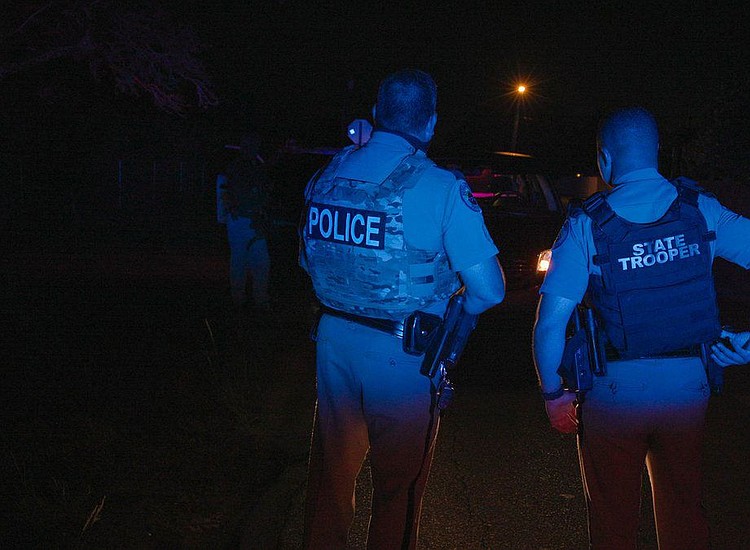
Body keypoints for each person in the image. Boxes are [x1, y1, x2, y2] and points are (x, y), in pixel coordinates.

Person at [299, 69, 505, 549]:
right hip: (402, 354)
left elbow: (308, 260)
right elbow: (490, 291)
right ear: (430, 123)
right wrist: (450, 303)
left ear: (376, 113)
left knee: (330, 478)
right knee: (398, 489)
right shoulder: (439, 187)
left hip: (333, 343)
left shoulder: (328, 174)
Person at [532, 107, 750, 549]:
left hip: (615, 395)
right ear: (657, 152)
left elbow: (550, 324)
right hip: (688, 392)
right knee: (684, 516)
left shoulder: (585, 224)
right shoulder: (701, 209)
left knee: (612, 523)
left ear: (604, 158)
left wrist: (554, 394)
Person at [219, 133, 272, 311]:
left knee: (256, 262)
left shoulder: (256, 167)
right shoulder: (238, 167)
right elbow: (225, 191)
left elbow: (263, 193)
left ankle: (253, 299)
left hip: (251, 221)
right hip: (241, 220)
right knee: (241, 261)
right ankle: (242, 299)